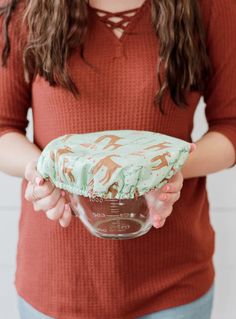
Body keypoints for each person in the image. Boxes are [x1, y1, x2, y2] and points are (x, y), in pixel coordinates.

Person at [0, 0, 235, 318]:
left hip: (173, 287)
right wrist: (45, 173)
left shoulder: (213, 6)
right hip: (56, 284)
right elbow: (3, 126)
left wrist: (165, 169)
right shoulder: (22, 8)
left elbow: (231, 124)